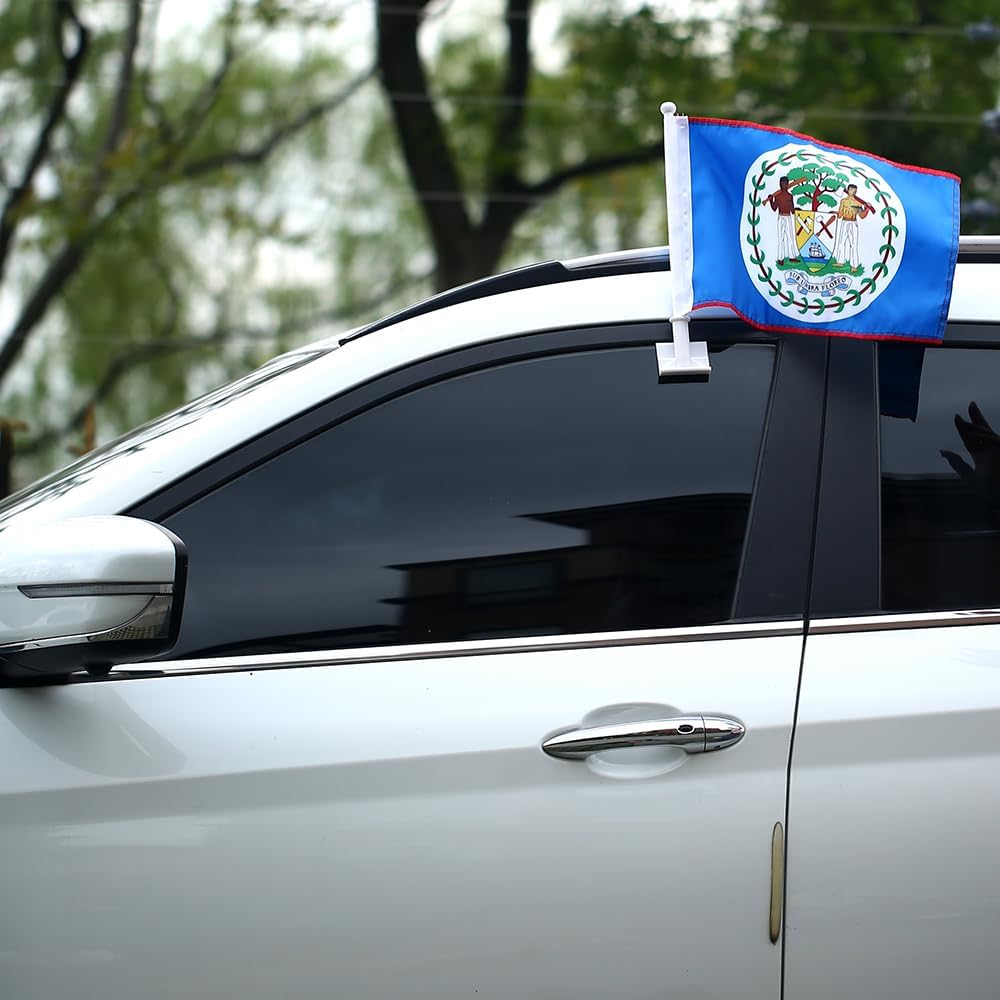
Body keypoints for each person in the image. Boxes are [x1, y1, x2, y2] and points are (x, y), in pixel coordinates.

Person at [832, 184, 872, 270]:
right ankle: (840, 261)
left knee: (853, 244)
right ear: (848, 190)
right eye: (851, 190)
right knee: (841, 242)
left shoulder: (858, 203)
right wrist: (834, 213)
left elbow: (862, 216)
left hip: (853, 223)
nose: (853, 192)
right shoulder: (843, 201)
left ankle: (854, 265)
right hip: (844, 222)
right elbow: (840, 215)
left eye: (855, 190)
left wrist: (867, 209)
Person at [766, 176, 796, 265]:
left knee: (790, 237)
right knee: (781, 238)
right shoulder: (778, 196)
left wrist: (796, 210)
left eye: (785, 184)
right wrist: (771, 200)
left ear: (787, 185)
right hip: (781, 217)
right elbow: (774, 208)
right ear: (779, 184)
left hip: (788, 217)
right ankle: (780, 259)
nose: (783, 185)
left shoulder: (790, 196)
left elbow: (792, 210)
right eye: (782, 183)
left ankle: (792, 257)